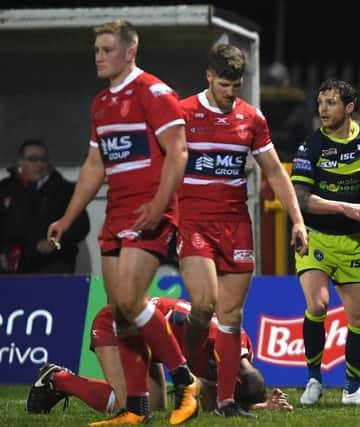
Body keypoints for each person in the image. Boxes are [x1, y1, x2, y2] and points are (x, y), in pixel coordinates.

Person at [45, 20, 198, 425]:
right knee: (119, 313)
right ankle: (136, 408)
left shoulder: (154, 92)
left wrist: (159, 204)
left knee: (131, 300)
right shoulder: (101, 103)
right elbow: (95, 164)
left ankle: (185, 380)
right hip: (116, 215)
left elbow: (178, 153)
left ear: (129, 52)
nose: (99, 55)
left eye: (107, 49)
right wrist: (67, 216)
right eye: (96, 49)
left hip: (149, 212)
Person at [176, 44, 308, 418]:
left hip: (236, 226)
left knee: (232, 317)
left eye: (236, 85)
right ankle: (186, 373)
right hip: (195, 222)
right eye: (223, 84)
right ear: (208, 76)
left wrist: (297, 219)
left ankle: (225, 402)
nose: (230, 91)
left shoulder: (251, 118)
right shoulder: (183, 113)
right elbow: (168, 166)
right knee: (203, 304)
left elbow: (275, 172)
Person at [291, 79, 360, 407]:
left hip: (354, 242)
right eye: (320, 102)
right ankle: (313, 379)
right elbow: (302, 199)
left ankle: (352, 389)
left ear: (349, 108)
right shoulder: (310, 147)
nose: (323, 109)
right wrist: (344, 207)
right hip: (316, 238)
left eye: (331, 103)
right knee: (318, 305)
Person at [25, 298, 293, 418]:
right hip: (118, 326)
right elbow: (213, 404)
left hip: (150, 340)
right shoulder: (209, 344)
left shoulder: (240, 348)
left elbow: (217, 403)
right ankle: (57, 379)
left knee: (153, 406)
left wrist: (262, 406)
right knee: (129, 405)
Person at [0, 139, 90, 274]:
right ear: (21, 162)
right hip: (13, 265)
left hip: (53, 263)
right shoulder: (5, 189)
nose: (39, 164)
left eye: (43, 159)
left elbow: (81, 226)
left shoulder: (64, 190)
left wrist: (54, 242)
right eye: (33, 159)